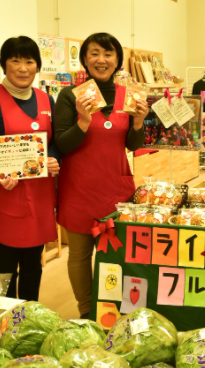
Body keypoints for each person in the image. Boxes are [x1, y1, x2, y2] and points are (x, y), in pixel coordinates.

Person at [55, 32, 148, 318]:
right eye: (94, 53)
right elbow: (61, 143)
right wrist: (83, 122)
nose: (101, 59)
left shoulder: (129, 96)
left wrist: (139, 123)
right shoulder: (71, 95)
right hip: (78, 189)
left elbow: (132, 145)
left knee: (118, 256)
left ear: (118, 60)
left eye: (108, 54)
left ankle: (117, 311)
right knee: (81, 255)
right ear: (84, 59)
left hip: (116, 189)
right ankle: (86, 312)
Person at [0, 36, 60, 301]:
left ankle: (28, 316)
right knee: (6, 263)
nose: (23, 67)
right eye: (15, 60)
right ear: (4, 64)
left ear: (37, 66)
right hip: (7, 194)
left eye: (29, 61)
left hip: (40, 194)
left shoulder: (47, 100)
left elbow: (54, 142)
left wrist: (54, 159)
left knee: (34, 261)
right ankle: (4, 319)